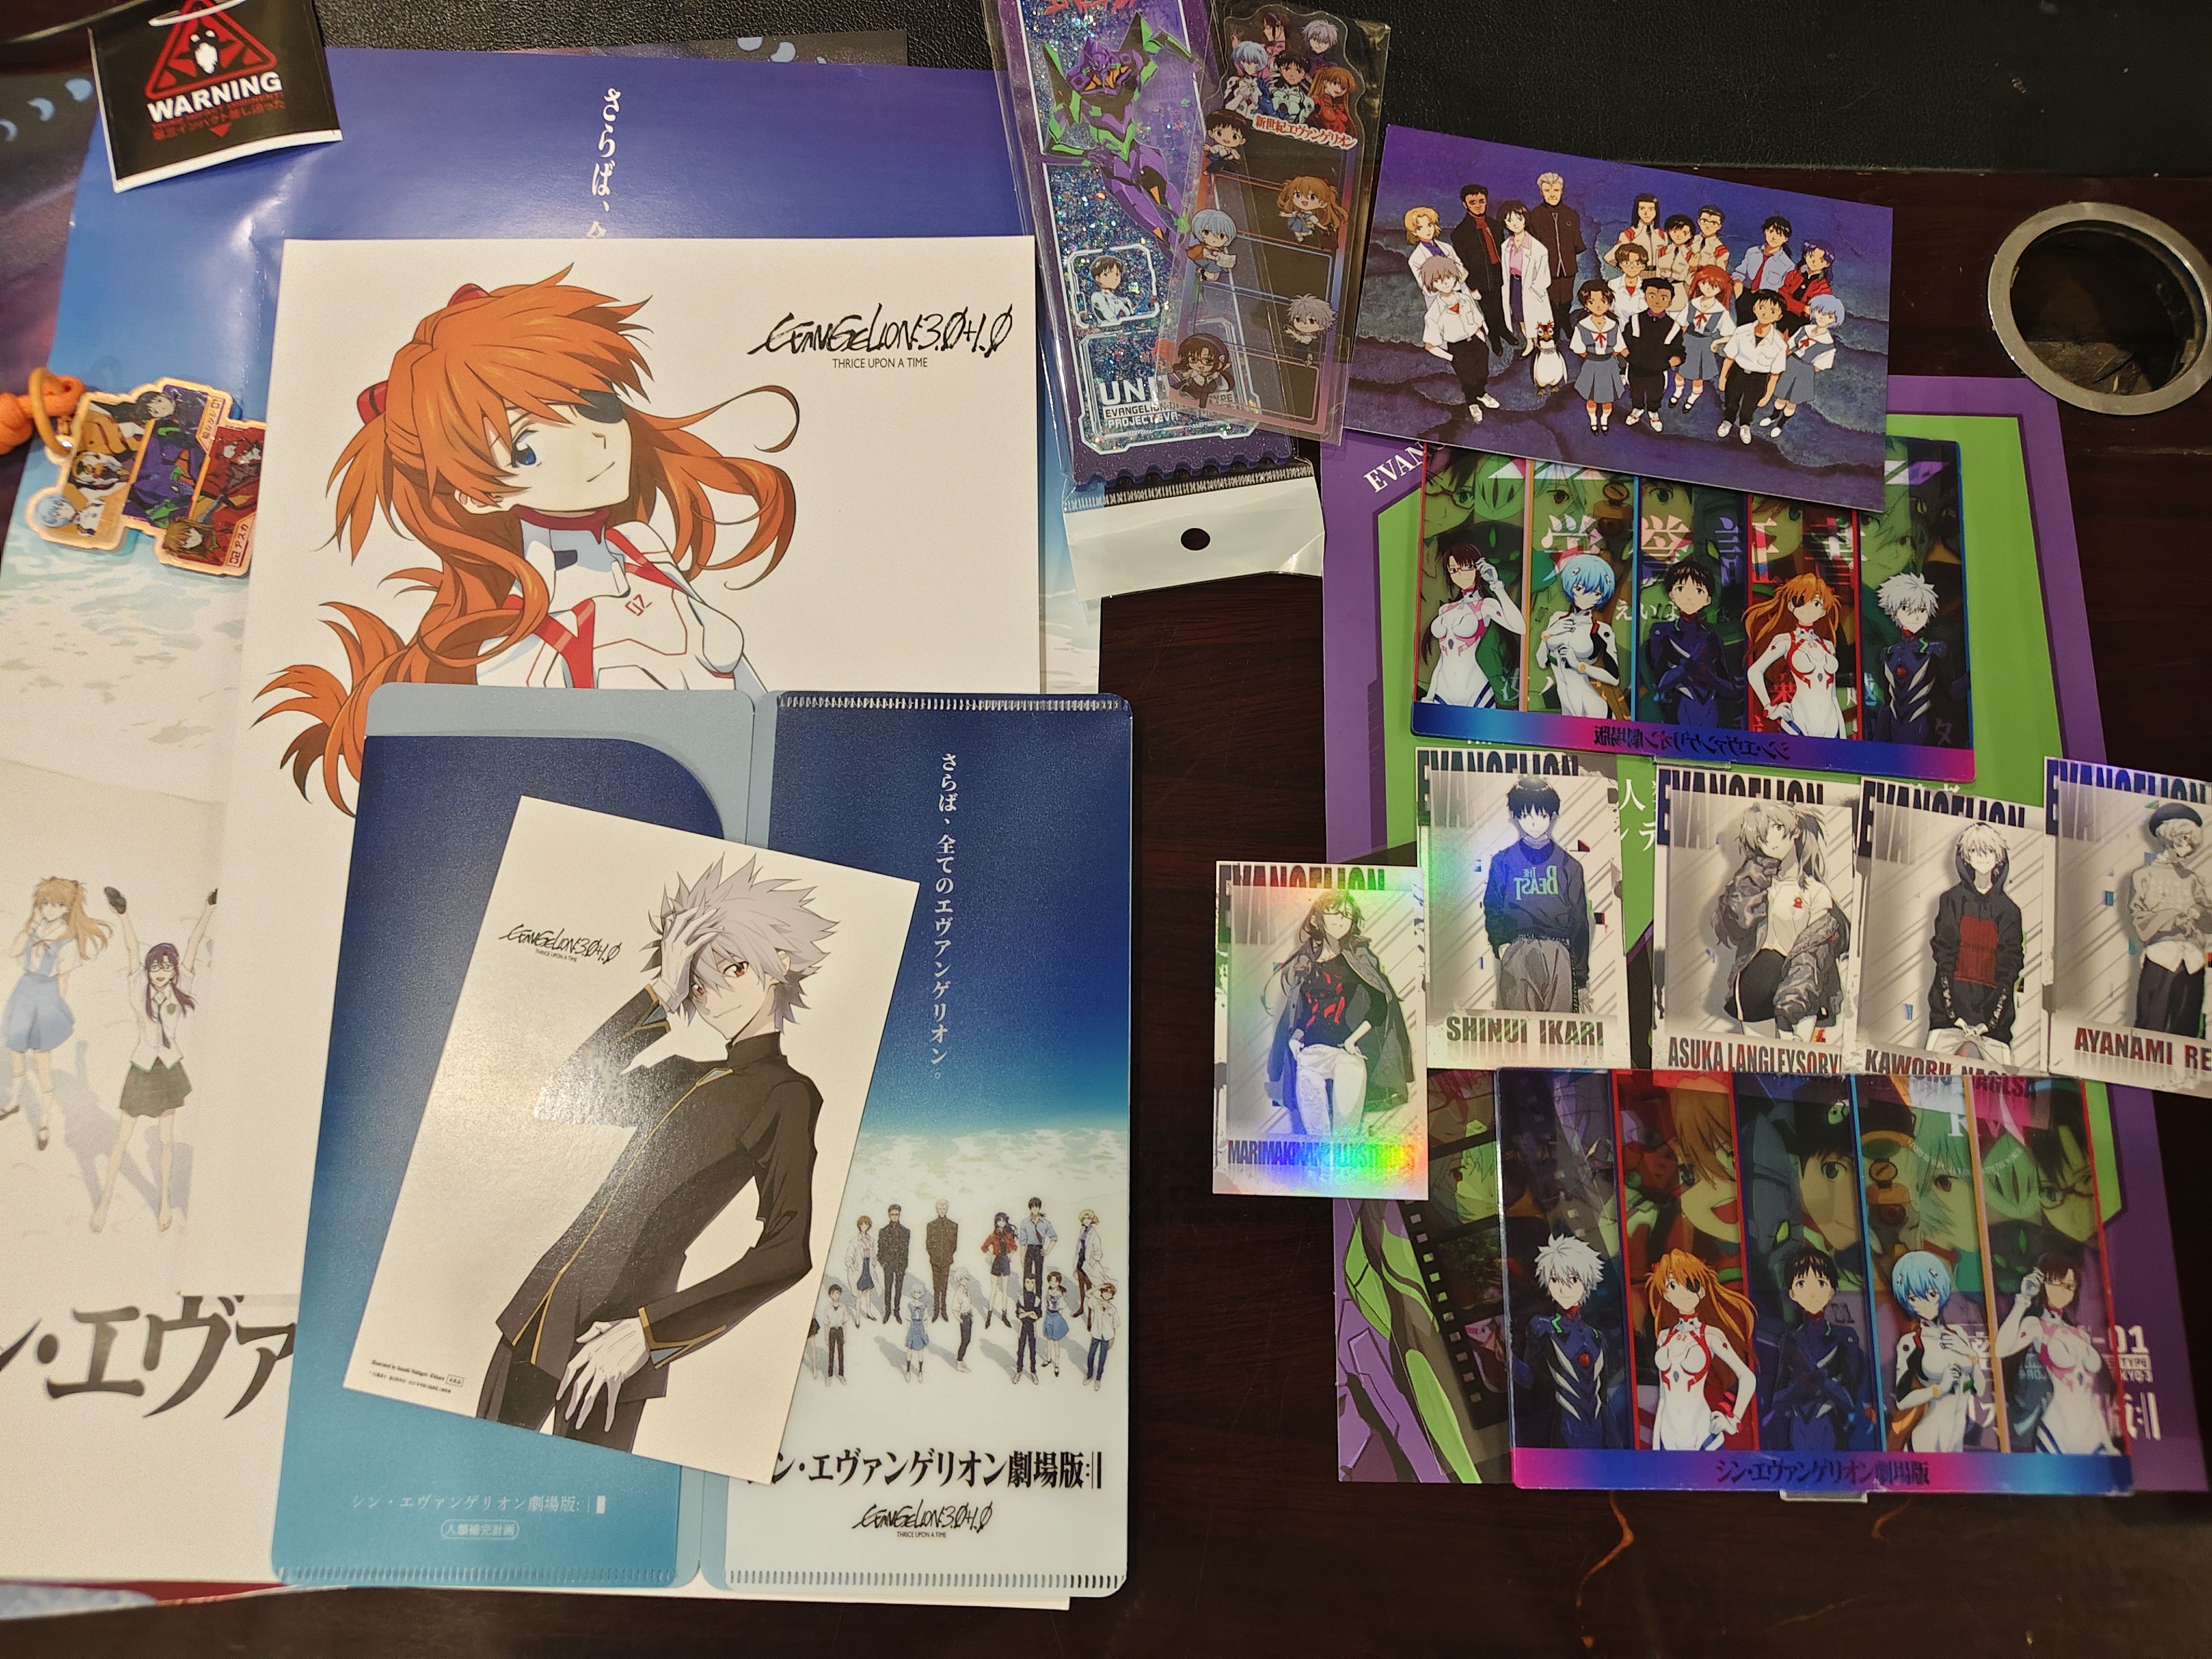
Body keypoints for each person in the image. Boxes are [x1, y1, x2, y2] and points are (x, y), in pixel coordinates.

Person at [262, 273, 797, 811]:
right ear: (477, 497)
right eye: (526, 449)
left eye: (596, 403)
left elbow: (750, 700)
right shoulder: (520, 637)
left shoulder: (643, 549)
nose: (596, 442)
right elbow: (545, 799)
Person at [475, 858, 834, 1451]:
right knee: (476, 1469)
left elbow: (787, 1252)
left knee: (584, 1500)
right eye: (698, 983)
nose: (712, 996)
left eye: (733, 968)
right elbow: (560, 1096)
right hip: (536, 1314)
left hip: (616, 1344)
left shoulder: (786, 1095)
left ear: (779, 963)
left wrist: (651, 1333)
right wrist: (661, 993)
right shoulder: (681, 1074)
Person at [91, 889, 216, 1233]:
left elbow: (193, 944)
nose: (161, 973)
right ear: (148, 970)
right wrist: (123, 915)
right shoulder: (138, 990)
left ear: (174, 972)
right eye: (156, 967)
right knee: (123, 1139)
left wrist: (209, 909)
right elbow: (132, 949)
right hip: (143, 1069)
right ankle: (104, 1203)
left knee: (165, 1142)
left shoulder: (180, 986)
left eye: (167, 967)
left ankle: (163, 1203)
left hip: (169, 1071)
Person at [1260, 890, 1415, 1138]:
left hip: (1344, 1051)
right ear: (1316, 920)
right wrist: (1295, 1038)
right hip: (1310, 1052)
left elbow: (1380, 1005)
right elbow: (1303, 1012)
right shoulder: (1305, 961)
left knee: (1347, 1130)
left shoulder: (1358, 958)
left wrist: (1353, 1041)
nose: (1342, 921)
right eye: (1334, 915)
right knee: (1316, 1133)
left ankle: (1345, 1153)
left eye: (1347, 916)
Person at [1716, 802, 1851, 1042]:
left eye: (1776, 828)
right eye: (1760, 833)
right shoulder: (1753, 885)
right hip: (1753, 987)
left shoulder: (1816, 892)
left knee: (1795, 1060)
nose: (1768, 839)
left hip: (1801, 990)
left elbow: (1814, 951)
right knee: (1756, 1059)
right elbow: (1736, 926)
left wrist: (1795, 1001)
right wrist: (1756, 873)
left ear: (1795, 831)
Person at [4, 877, 110, 1148]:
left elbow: (63, 983)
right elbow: (13, 951)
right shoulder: (36, 928)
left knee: (42, 1060)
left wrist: (54, 1012)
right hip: (24, 992)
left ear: (68, 908)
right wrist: (31, 925)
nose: (50, 910)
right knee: (16, 1050)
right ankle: (14, 1101)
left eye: (57, 905)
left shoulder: (68, 941)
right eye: (46, 904)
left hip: (46, 997)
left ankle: (44, 1120)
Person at [1483, 777, 1591, 1014]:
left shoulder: (1570, 866)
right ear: (1515, 816)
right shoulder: (1503, 862)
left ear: (1552, 816)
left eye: (1541, 815)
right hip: (1518, 948)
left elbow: (1579, 923)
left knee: (1559, 1028)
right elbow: (1493, 907)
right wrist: (1502, 946)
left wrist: (1581, 977)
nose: (1533, 822)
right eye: (1526, 815)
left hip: (1559, 952)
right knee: (1520, 1027)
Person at [1512, 1233, 1625, 1448]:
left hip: (1600, 1432)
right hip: (1566, 1430)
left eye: (1572, 1279)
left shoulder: (1596, 1336)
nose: (1563, 1288)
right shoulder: (1542, 1327)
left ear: (1586, 1282)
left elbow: (1603, 1397)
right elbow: (1529, 1379)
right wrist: (1507, 1361)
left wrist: (1617, 1446)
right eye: (1555, 1280)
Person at [1994, 1253, 2116, 1454]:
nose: (2062, 1291)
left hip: (2093, 1431)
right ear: (2042, 1283)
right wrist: (2023, 1300)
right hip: (2056, 1430)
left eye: (2069, 1286)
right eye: (2054, 1281)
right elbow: (2001, 1349)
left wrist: (2108, 1443)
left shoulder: (2081, 1335)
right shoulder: (2037, 1326)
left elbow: (2089, 1396)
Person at [1927, 823, 2026, 1065]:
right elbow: (1944, 958)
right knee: (1926, 1077)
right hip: (1948, 1020)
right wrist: (1954, 1015)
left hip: (1994, 1027)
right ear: (1966, 857)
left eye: (1988, 851)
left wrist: (1990, 1023)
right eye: (1975, 851)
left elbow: (2009, 969)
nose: (1982, 857)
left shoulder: (2009, 911)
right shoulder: (1951, 901)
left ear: (1998, 857)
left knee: (2001, 1084)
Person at [1644, 1248, 1758, 1451]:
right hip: (1667, 1438)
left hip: (1704, 1435)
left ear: (1702, 1291)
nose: (1682, 1292)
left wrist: (1734, 1419)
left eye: (1690, 1284)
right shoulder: (1664, 1337)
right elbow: (1663, 1396)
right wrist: (1655, 1446)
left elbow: (1747, 1376)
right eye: (1673, 1285)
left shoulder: (1710, 1335)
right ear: (1666, 1294)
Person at [1766, 1245, 1871, 1450]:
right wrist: (1800, 1386)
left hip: (1832, 1427)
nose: (1812, 1292)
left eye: (1821, 1283)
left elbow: (1850, 1400)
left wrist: (1822, 1380)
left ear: (1831, 1291)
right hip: (1799, 1428)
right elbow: (1778, 1399)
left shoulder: (1844, 1337)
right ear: (1792, 1293)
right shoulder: (1791, 1341)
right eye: (1802, 1284)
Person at [1890, 1250, 1989, 1452]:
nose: (1924, 1304)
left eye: (1931, 1294)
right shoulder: (1911, 1342)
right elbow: (1902, 1401)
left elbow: (1979, 1390)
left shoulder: (1959, 1334)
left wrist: (1971, 1359)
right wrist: (1939, 1389)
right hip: (1926, 1441)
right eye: (1914, 1298)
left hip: (1956, 1441)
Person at [2129, 802, 2209, 1037]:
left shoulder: (2192, 880)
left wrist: (2199, 913)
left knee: (2187, 1031)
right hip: (2161, 958)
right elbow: (2139, 919)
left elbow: (2209, 918)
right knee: (2152, 1030)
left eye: (2192, 840)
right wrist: (2174, 919)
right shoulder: (2143, 876)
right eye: (2184, 838)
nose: (2188, 845)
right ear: (2168, 836)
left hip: (2193, 962)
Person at [1745, 570, 1846, 738]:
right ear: (1791, 606)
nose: (1808, 608)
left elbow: (1833, 695)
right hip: (1798, 723)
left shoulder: (1828, 646)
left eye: (1816, 603)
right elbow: (1755, 671)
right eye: (1800, 601)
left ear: (1823, 610)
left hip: (1831, 726)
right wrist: (1770, 708)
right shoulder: (1786, 640)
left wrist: (1843, 734)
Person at [1423, 543, 1524, 708]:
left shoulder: (1485, 606)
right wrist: (1430, 694)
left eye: (1467, 567)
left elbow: (1520, 628)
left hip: (1477, 691)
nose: (1460, 574)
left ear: (1478, 568)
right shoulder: (1446, 609)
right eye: (1454, 570)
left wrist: (1497, 586)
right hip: (1442, 690)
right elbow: (1443, 659)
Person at [1866, 571, 1961, 746]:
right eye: (1906, 608)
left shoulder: (1934, 650)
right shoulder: (1889, 653)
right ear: (1894, 611)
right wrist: (1878, 740)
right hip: (1894, 732)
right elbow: (1887, 702)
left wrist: (1973, 677)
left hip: (1926, 731)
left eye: (1922, 610)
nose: (1916, 615)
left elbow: (1952, 691)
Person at [1643, 556, 1739, 727]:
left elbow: (1728, 688)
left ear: (1708, 599)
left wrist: (1707, 674)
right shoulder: (1663, 631)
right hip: (1679, 709)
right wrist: (1689, 666)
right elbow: (1662, 683)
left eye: (1698, 591)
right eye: (1681, 589)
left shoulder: (1710, 636)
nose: (1689, 597)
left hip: (1710, 711)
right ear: (1671, 595)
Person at [1535, 550, 1622, 716]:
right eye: (1580, 588)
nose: (1587, 597)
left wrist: (1579, 665)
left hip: (1592, 708)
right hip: (1567, 706)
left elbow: (1614, 678)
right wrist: (1547, 636)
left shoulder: (1601, 630)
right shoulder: (1557, 619)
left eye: (1596, 593)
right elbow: (1542, 662)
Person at [1416, 256, 1497, 422]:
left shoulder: (1466, 299)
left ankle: (1481, 394)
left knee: (1483, 372)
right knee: (1467, 378)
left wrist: (1482, 340)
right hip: (1458, 349)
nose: (1445, 283)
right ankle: (1472, 403)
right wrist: (1452, 357)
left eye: (1448, 277)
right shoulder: (1433, 313)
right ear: (1432, 284)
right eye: (1438, 280)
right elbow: (1430, 346)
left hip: (1476, 342)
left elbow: (1478, 321)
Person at [1761, 294, 1843, 438]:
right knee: (1781, 396)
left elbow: (1821, 365)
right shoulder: (1805, 329)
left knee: (1793, 402)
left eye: (1829, 316)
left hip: (1805, 370)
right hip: (1791, 363)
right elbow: (1791, 344)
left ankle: (1780, 425)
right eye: (1819, 312)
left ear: (1834, 321)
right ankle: (1773, 417)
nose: (1822, 317)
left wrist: (1806, 368)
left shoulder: (1828, 344)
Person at [1715, 290, 1788, 443]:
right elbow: (1730, 357)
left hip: (1758, 378)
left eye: (1772, 311)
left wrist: (1768, 395)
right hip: (1738, 372)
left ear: (1779, 316)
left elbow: (1775, 374)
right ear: (1754, 308)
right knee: (1731, 400)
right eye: (1761, 308)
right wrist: (1722, 378)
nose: (1765, 314)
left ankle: (1745, 425)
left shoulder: (1779, 343)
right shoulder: (1742, 331)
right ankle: (1728, 421)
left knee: (1750, 405)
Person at [1620, 277, 1685, 431]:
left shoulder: (1674, 327)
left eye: (1663, 298)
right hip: (1636, 368)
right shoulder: (1635, 320)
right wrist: (1629, 356)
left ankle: (1653, 412)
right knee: (1636, 392)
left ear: (1670, 302)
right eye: (1652, 295)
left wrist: (1669, 363)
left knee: (1655, 394)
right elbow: (1623, 342)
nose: (1657, 301)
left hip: (1657, 371)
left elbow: (1679, 352)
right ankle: (1637, 409)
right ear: (1645, 297)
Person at [1450, 184, 1511, 346]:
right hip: (1479, 278)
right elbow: (1462, 262)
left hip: (1498, 272)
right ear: (1465, 205)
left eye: (1481, 201)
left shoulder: (1495, 225)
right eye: (1473, 202)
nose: (1478, 205)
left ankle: (1504, 330)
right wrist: (1471, 285)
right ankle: (1494, 337)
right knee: (1488, 308)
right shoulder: (1460, 233)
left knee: (1500, 303)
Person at [1525, 172, 1586, 335]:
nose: (1552, 194)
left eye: (1556, 190)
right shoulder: (1534, 216)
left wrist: (1567, 255)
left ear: (1562, 191)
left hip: (1568, 265)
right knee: (1551, 300)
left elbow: (1578, 243)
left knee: (1566, 299)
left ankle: (1564, 322)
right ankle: (1556, 328)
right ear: (1541, 192)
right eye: (1547, 191)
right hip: (1547, 268)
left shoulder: (1571, 214)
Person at [1495, 200, 1556, 361]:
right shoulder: (1506, 246)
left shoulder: (1538, 248)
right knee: (1520, 316)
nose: (1515, 224)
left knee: (1535, 318)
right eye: (1510, 220)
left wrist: (1534, 289)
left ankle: (1540, 344)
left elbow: (1544, 276)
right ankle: (1530, 343)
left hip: (1531, 288)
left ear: (1525, 219)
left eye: (1518, 218)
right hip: (1514, 285)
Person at [1671, 265, 1735, 415]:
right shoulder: (1692, 304)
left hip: (1704, 345)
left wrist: (1716, 342)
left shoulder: (1721, 312)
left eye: (1714, 286)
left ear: (1721, 289)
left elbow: (1731, 334)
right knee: (1680, 371)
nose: (1708, 288)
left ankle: (1692, 399)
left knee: (1697, 376)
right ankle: (1677, 393)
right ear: (1698, 283)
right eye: (1704, 283)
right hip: (1687, 341)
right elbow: (1681, 324)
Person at [1731, 215, 1796, 322]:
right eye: (1771, 232)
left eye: (1779, 235)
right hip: (1745, 295)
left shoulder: (1788, 265)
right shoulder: (1752, 252)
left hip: (1766, 302)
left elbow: (1783, 290)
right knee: (1742, 326)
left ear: (1786, 239)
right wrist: (1738, 289)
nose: (1774, 237)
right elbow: (1740, 273)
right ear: (1765, 231)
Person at [981, 1209, 1020, 1327]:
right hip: (997, 1261)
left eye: (1003, 1221)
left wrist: (1010, 1256)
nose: (1001, 1223)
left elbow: (1014, 1247)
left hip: (1005, 1261)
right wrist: (992, 1257)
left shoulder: (1009, 1235)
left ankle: (1004, 1315)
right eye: (999, 1221)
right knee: (994, 1289)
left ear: (1006, 1222)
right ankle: (989, 1315)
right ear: (996, 1222)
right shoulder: (993, 1236)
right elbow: (984, 1247)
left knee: (1005, 1290)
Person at [875, 1203, 912, 1326]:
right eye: (892, 1214)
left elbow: (906, 1251)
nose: (895, 1217)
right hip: (888, 1265)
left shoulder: (905, 1232)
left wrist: (904, 1265)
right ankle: (887, 1311)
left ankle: (897, 1311)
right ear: (889, 1215)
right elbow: (880, 1250)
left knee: (899, 1288)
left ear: (899, 1215)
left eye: (897, 1214)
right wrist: (883, 1263)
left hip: (900, 1265)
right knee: (888, 1288)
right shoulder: (883, 1231)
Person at [926, 1198, 959, 1321]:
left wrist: (947, 1256)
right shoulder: (931, 1225)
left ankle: (943, 1310)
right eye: (939, 1208)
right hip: (935, 1261)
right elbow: (928, 1245)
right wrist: (934, 1256)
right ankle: (936, 1310)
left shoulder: (953, 1226)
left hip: (946, 1261)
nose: (941, 1210)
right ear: (936, 1209)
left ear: (947, 1209)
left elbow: (954, 1246)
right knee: (936, 1287)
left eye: (944, 1208)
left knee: (944, 1286)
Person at [1075, 1210, 1109, 1330]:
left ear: (1092, 1220)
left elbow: (1098, 1253)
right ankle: (1081, 1308)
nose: (1086, 1221)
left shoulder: (1094, 1235)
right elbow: (1079, 1248)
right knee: (1081, 1287)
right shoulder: (1082, 1231)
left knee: (1090, 1291)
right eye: (1084, 1219)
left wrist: (1091, 1264)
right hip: (1080, 1263)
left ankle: (1089, 1317)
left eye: (1088, 1219)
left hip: (1089, 1266)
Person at [1018, 1196, 1058, 1296]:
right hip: (1029, 1250)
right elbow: (1023, 1242)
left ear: (1040, 1208)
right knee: (1027, 1276)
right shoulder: (1025, 1223)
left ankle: (1038, 1300)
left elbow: (1054, 1237)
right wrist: (1022, 1257)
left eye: (1037, 1207)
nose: (1035, 1209)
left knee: (1039, 1276)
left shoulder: (1046, 1223)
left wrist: (1047, 1251)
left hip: (1039, 1250)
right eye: (1033, 1207)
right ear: (1030, 1208)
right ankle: (1027, 1300)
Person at [1084, 1281, 1119, 1391]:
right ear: (1102, 1292)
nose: (1107, 1295)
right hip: (1096, 1334)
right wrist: (1100, 1286)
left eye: (1110, 1293)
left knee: (1102, 1358)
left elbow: (1114, 1326)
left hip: (1107, 1336)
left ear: (1112, 1295)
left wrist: (1113, 1340)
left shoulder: (1113, 1310)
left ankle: (1098, 1379)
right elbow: (1087, 1294)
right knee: (1091, 1356)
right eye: (1105, 1292)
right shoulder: (1096, 1303)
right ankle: (1090, 1375)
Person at [845, 1215, 879, 1321]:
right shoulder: (855, 1241)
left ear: (869, 1226)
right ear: (859, 1226)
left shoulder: (871, 1240)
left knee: (868, 1292)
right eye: (862, 1225)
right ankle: (858, 1317)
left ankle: (869, 1312)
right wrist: (853, 1267)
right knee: (859, 1295)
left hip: (869, 1268)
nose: (864, 1227)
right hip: (860, 1269)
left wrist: (874, 1263)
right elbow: (849, 1257)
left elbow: (875, 1255)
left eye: (866, 1225)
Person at [821, 1282, 854, 1385]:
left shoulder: (843, 1308)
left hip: (840, 1331)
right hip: (832, 1331)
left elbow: (845, 1323)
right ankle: (830, 1375)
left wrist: (845, 1336)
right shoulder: (828, 1308)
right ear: (830, 1295)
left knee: (841, 1354)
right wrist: (826, 1338)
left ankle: (841, 1375)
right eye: (834, 1294)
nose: (836, 1296)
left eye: (838, 1293)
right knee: (831, 1354)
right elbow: (826, 1325)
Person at [1042, 1270, 1073, 1378]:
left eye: (1055, 1281)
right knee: (1048, 1339)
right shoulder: (1048, 1290)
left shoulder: (1060, 1295)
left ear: (1059, 1282)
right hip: (1048, 1316)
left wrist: (1057, 1317)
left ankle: (1057, 1364)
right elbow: (1046, 1302)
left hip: (1056, 1317)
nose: (1052, 1283)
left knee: (1056, 1341)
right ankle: (1048, 1358)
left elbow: (1062, 1308)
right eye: (1051, 1281)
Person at [1013, 1282, 1042, 1383]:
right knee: (1021, 1350)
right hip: (1023, 1326)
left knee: (1033, 1350)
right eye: (1028, 1282)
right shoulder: (1021, 1299)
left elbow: (1037, 1316)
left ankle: (1033, 1372)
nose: (1030, 1285)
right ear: (1025, 1284)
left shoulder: (1037, 1300)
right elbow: (1020, 1316)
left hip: (1033, 1327)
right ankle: (1019, 1370)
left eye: (1032, 1283)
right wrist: (1031, 1312)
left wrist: (1026, 1313)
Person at [949, 1271, 977, 1372]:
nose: (966, 1281)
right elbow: (954, 1309)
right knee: (965, 1340)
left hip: (969, 1316)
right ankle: (959, 1361)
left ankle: (959, 1356)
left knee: (968, 1339)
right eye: (964, 1279)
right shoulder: (959, 1293)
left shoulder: (966, 1290)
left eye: (966, 1279)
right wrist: (961, 1320)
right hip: (964, 1318)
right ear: (960, 1281)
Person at [902, 1289, 929, 1381]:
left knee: (920, 1352)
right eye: (915, 1293)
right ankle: (908, 1371)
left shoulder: (924, 1306)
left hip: (920, 1328)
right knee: (909, 1351)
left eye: (919, 1293)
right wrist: (907, 1334)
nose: (917, 1295)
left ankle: (920, 1371)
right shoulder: (910, 1306)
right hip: (912, 1328)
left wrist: (926, 1332)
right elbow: (908, 1321)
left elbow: (925, 1320)